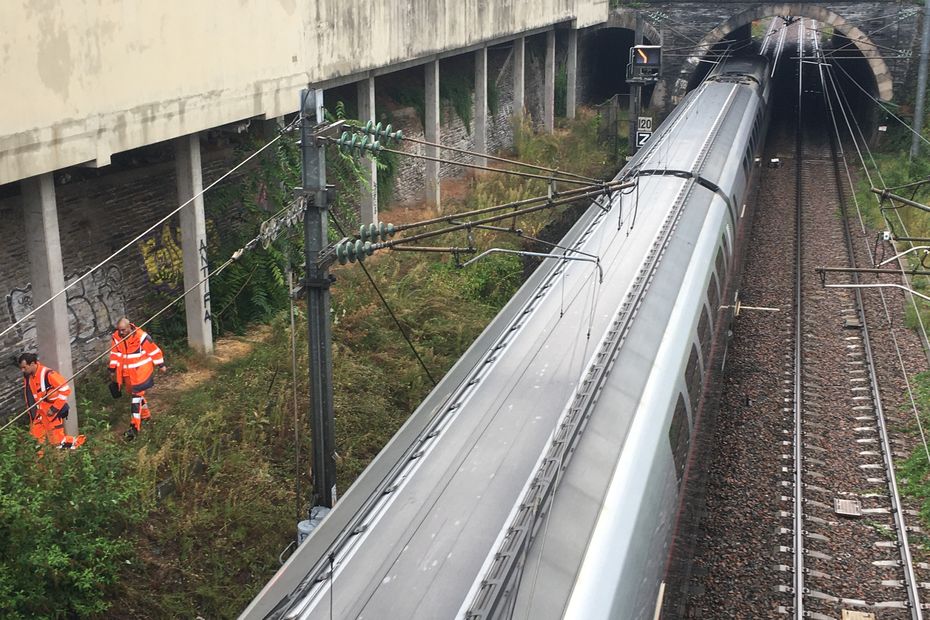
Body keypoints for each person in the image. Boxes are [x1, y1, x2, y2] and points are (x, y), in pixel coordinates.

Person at [108, 318, 165, 440]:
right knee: (134, 395)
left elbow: (153, 350)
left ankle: (134, 428)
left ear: (129, 327)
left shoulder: (141, 336)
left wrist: (161, 364)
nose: (121, 333)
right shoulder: (116, 337)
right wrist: (112, 369)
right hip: (127, 373)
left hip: (141, 372)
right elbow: (115, 354)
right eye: (119, 330)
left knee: (135, 398)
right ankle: (145, 415)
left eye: (123, 330)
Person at [18, 352, 85, 450]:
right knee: (35, 441)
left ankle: (79, 442)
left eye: (24, 367)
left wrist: (54, 409)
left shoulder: (47, 374)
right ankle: (40, 463)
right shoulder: (29, 376)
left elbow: (65, 389)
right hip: (39, 414)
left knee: (58, 442)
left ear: (32, 364)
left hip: (51, 415)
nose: (22, 370)